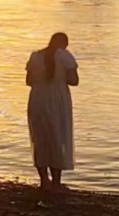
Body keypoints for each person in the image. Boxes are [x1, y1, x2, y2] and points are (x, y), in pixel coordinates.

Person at [26, 32, 79, 192]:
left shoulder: (35, 56)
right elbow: (74, 80)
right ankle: (56, 182)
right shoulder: (64, 56)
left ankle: (44, 180)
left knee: (40, 137)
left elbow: (28, 81)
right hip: (57, 98)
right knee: (58, 136)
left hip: (37, 97)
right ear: (64, 44)